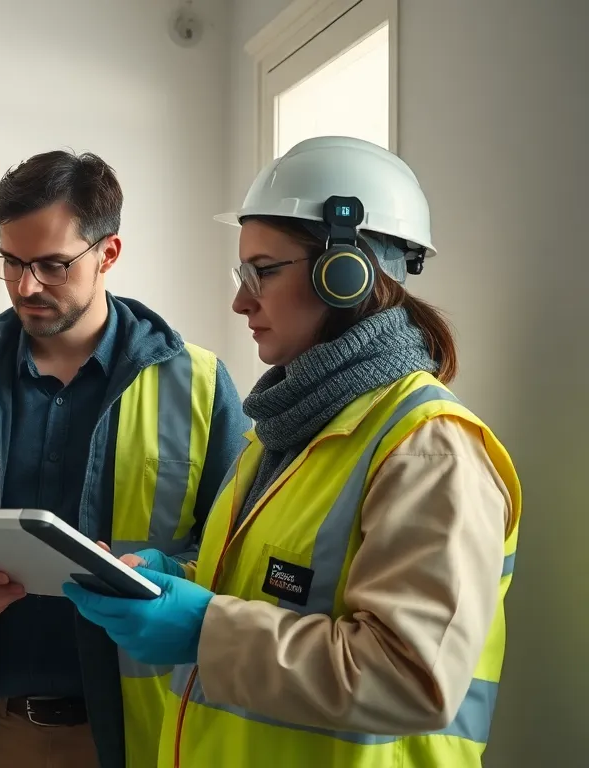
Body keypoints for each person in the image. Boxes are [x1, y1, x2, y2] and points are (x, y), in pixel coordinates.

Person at [62, 135, 522, 767]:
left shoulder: (429, 449)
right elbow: (281, 594)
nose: (241, 300)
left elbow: (412, 677)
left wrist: (204, 627)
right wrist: (181, 583)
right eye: (240, 273)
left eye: (262, 271)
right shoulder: (281, 432)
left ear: (346, 273)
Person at [0, 149, 249, 768]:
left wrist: (153, 575)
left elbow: (236, 553)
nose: (26, 286)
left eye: (52, 265)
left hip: (141, 736)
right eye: (11, 262)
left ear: (108, 254)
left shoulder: (201, 385)